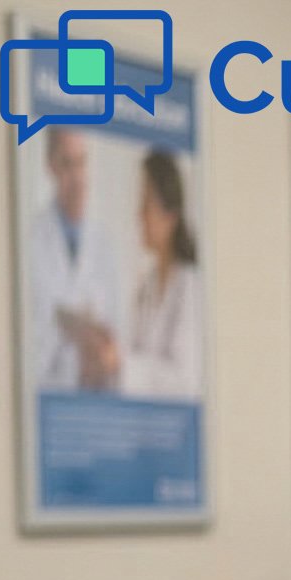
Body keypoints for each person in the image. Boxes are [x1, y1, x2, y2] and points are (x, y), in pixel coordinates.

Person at [23, 128, 123, 392]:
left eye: (81, 163)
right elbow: (28, 340)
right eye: (67, 164)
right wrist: (69, 329)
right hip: (49, 395)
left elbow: (113, 338)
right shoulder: (30, 240)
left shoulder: (104, 244)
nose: (77, 177)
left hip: (98, 400)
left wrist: (75, 327)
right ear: (50, 166)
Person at [103, 149, 202, 399]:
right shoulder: (147, 286)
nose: (139, 216)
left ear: (170, 216)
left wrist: (122, 363)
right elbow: (137, 357)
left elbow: (185, 380)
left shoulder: (190, 286)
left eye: (146, 205)